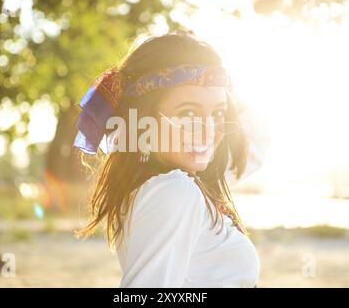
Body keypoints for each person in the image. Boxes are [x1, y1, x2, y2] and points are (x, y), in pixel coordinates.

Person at [72, 31, 270, 287]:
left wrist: (215, 76)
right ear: (144, 119)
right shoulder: (174, 191)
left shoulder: (180, 182)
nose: (208, 130)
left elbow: (257, 141)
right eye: (188, 113)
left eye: (218, 113)